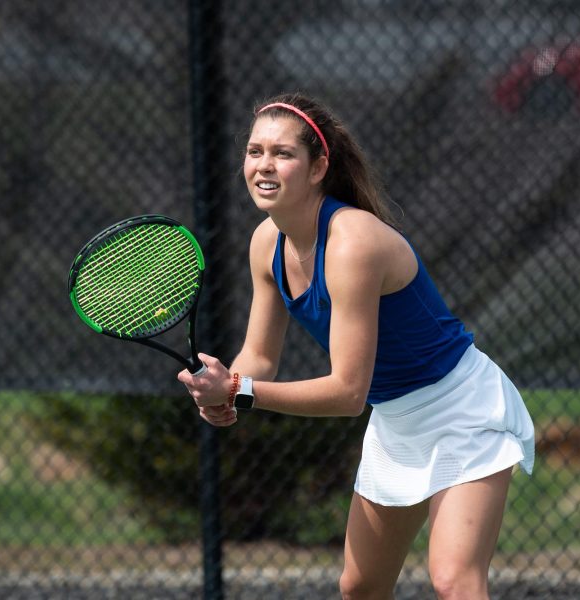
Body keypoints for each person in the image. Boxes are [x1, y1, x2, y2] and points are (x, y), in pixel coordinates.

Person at [177, 92, 535, 600]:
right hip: (397, 421)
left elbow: (347, 393)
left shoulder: (352, 243)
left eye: (283, 153)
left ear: (319, 165)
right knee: (360, 588)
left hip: (463, 412)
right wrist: (224, 386)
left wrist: (239, 389)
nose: (263, 165)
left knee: (455, 580)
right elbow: (259, 358)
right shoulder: (266, 243)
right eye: (255, 151)